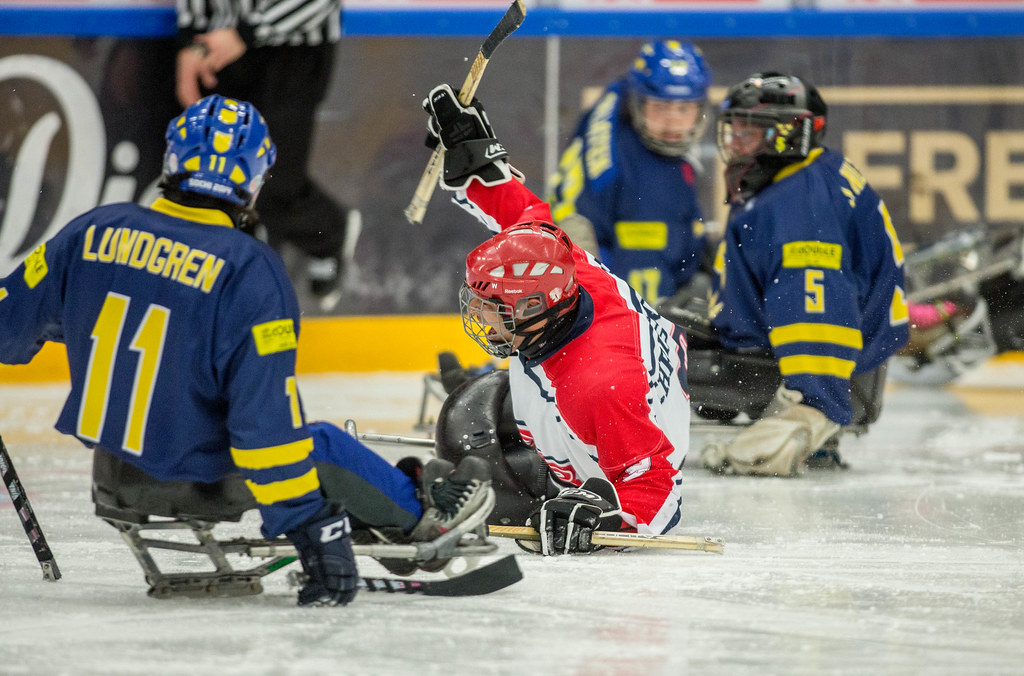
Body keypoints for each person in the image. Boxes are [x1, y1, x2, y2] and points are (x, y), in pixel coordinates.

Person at [0, 95, 491, 605]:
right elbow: (267, 433)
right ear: (254, 177)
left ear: (173, 161)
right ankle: (424, 519)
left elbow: (8, 328)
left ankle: (390, 500)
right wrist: (312, 530)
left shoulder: (93, 230)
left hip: (114, 475)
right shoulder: (248, 271)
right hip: (192, 480)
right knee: (319, 443)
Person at [421, 83, 692, 556]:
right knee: (471, 413)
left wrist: (606, 515)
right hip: (603, 388)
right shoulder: (564, 266)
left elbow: (659, 489)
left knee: (467, 433)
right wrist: (476, 164)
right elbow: (522, 214)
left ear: (533, 310)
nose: (483, 318)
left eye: (494, 310)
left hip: (615, 432)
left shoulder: (601, 386)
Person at [673, 72, 910, 475]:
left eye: (749, 130)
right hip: (823, 364)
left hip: (827, 378)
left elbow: (818, 308)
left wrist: (812, 408)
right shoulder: (800, 179)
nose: (734, 141)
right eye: (736, 128)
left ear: (786, 135)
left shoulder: (804, 206)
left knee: (650, 356)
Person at [174, 0, 356, 310]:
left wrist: (245, 32)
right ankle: (242, 275)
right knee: (221, 178)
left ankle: (327, 234)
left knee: (274, 181)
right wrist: (190, 43)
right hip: (220, 49)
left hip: (292, 48)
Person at [547, 40, 712, 306]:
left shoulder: (615, 119)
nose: (672, 121)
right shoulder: (619, 164)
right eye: (660, 107)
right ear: (637, 103)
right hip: (626, 315)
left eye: (683, 109)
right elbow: (578, 233)